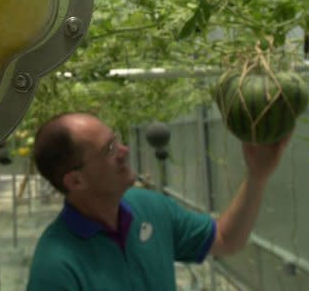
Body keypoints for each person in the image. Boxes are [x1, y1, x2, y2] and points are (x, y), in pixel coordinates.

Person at [26, 112, 291, 291]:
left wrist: (257, 176)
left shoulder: (150, 207)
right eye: (109, 149)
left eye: (116, 140)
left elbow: (225, 238)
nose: (125, 151)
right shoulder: (56, 266)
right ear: (75, 181)